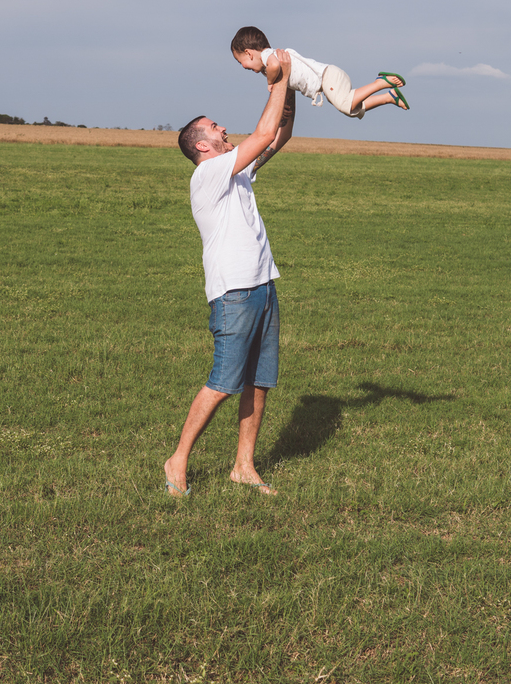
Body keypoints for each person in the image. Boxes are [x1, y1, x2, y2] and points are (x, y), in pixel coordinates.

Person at [164, 50, 296, 498]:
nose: (222, 128)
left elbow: (278, 138)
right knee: (223, 381)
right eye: (214, 127)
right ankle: (178, 458)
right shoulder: (208, 175)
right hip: (234, 294)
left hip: (263, 285)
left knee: (259, 384)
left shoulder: (235, 174)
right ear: (202, 145)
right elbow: (262, 132)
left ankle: (244, 466)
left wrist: (288, 87)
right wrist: (277, 78)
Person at [230, 25, 409, 119]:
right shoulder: (268, 61)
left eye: (241, 62)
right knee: (351, 108)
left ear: (248, 52)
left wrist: (270, 83)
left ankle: (381, 82)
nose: (243, 67)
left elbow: (275, 67)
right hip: (327, 81)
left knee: (344, 104)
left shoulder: (269, 56)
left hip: (327, 77)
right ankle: (389, 97)